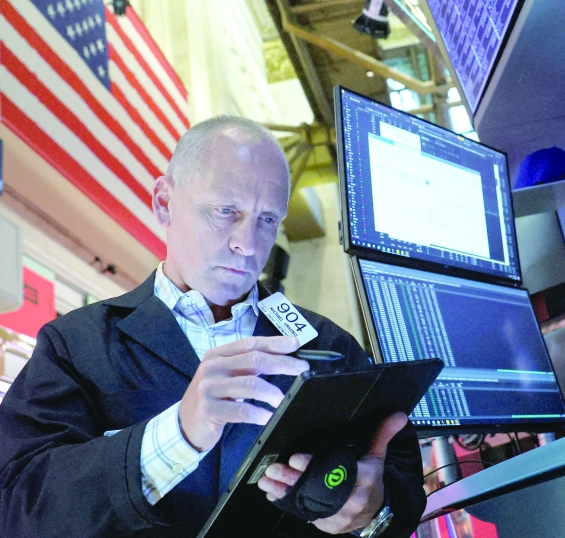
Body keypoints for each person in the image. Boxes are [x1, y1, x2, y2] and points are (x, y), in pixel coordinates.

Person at [0, 117, 425, 537]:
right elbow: (17, 505)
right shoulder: (76, 343)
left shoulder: (330, 346)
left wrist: (374, 511)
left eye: (267, 220)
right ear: (164, 202)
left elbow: (400, 483)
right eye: (226, 211)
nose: (249, 244)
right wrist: (177, 433)